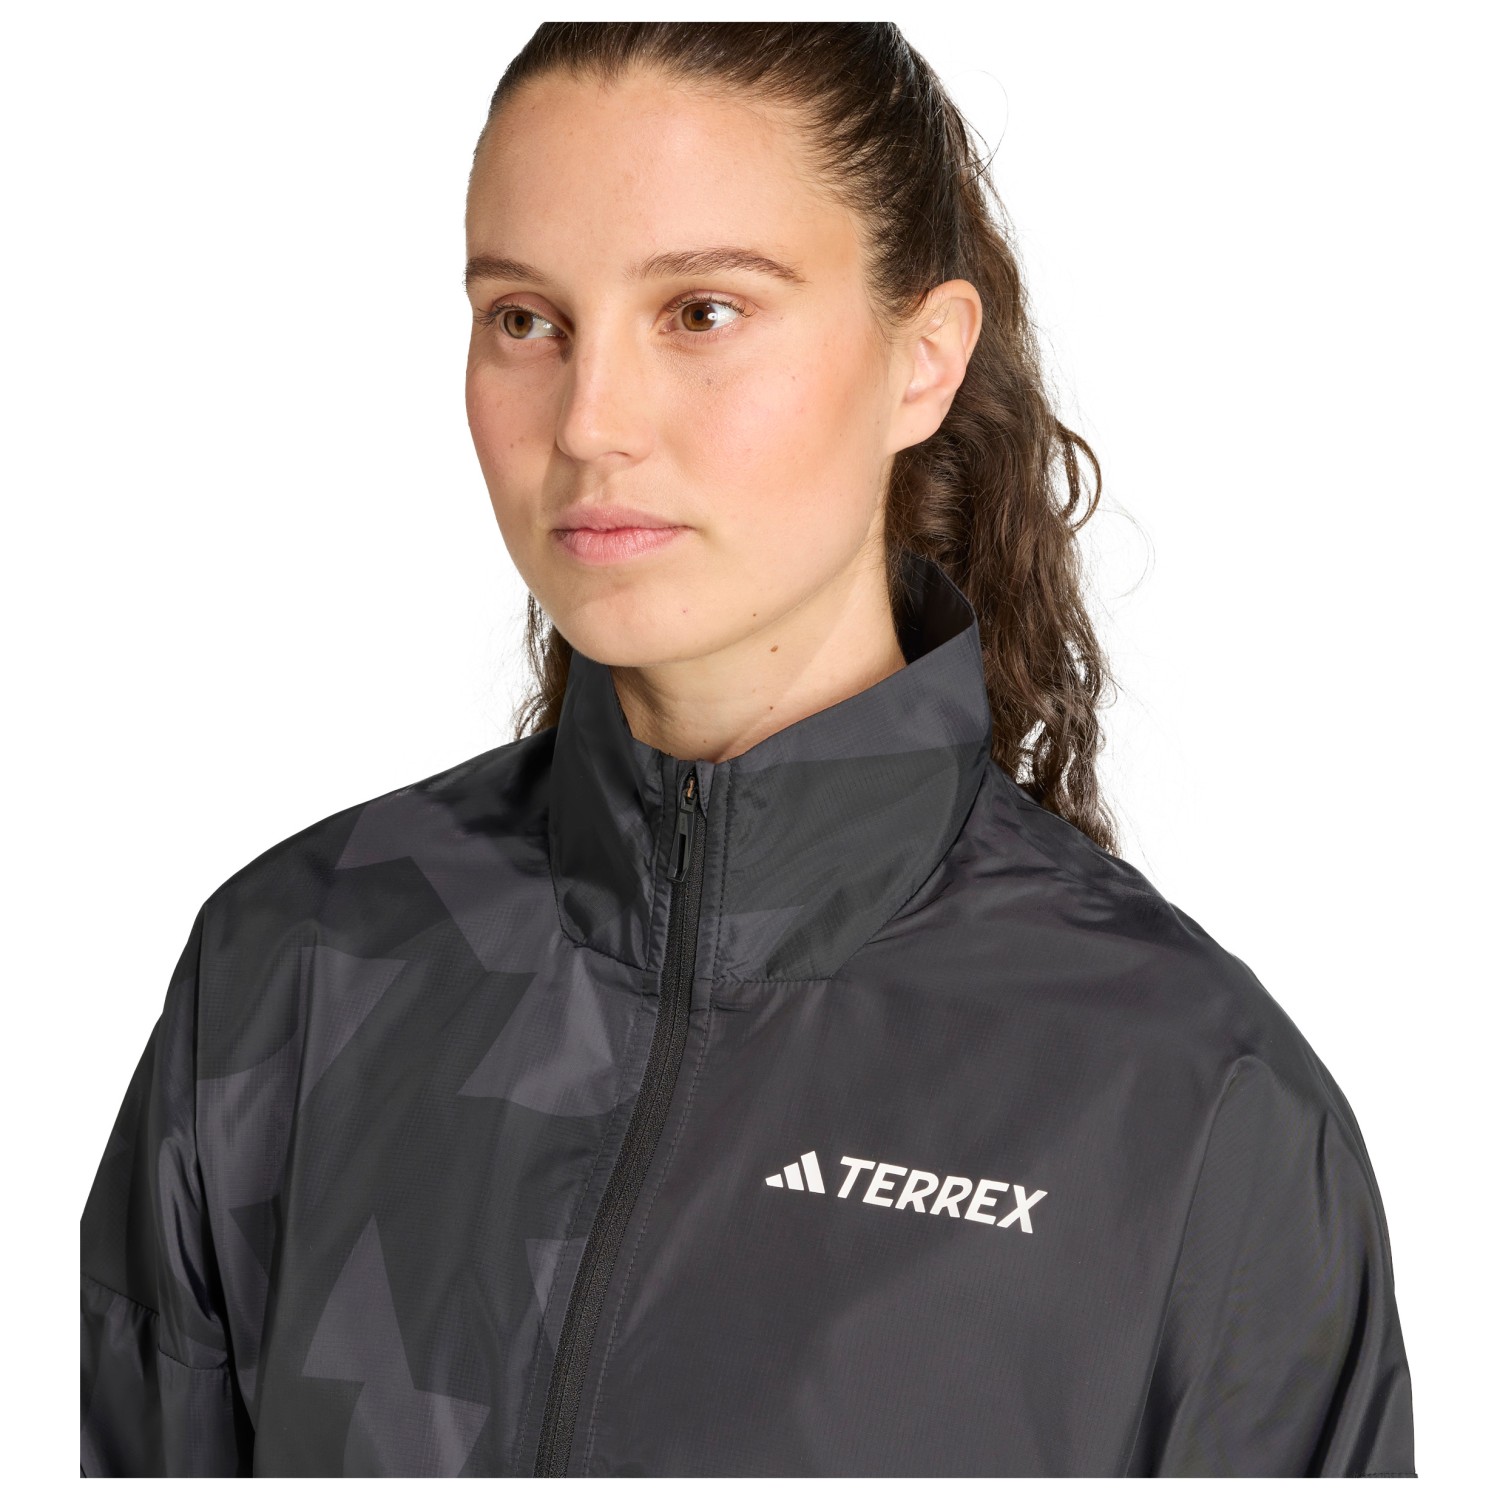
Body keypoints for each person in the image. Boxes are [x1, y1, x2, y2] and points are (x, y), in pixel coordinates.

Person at [79, 21, 1415, 1478]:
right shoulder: (291, 974)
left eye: (702, 312)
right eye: (525, 319)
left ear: (923, 361)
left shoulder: (1188, 1107)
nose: (591, 423)